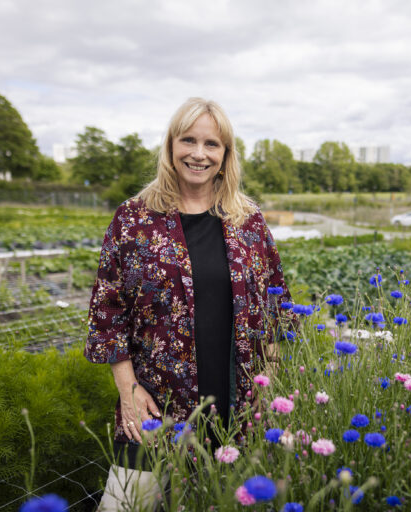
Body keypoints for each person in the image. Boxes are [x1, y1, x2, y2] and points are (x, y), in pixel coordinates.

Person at [84, 97, 290, 511]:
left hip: (237, 405)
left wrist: (271, 380)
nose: (199, 154)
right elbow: (106, 313)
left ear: (225, 154)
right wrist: (128, 392)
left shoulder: (247, 220)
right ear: (171, 146)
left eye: (212, 144)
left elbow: (276, 305)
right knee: (126, 504)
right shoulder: (134, 219)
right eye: (188, 140)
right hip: (154, 404)